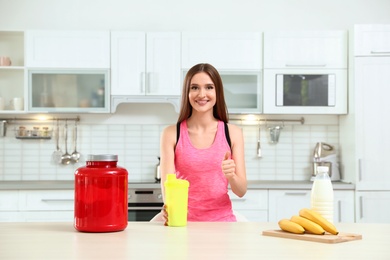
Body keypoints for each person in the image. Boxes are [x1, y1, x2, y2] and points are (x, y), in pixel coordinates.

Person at [156, 63, 247, 223]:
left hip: (222, 225)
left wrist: (231, 176)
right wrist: (168, 206)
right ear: (187, 92)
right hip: (182, 224)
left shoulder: (232, 133)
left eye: (209, 87)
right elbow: (168, 186)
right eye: (195, 87)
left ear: (217, 92)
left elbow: (241, 191)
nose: (202, 94)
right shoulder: (171, 134)